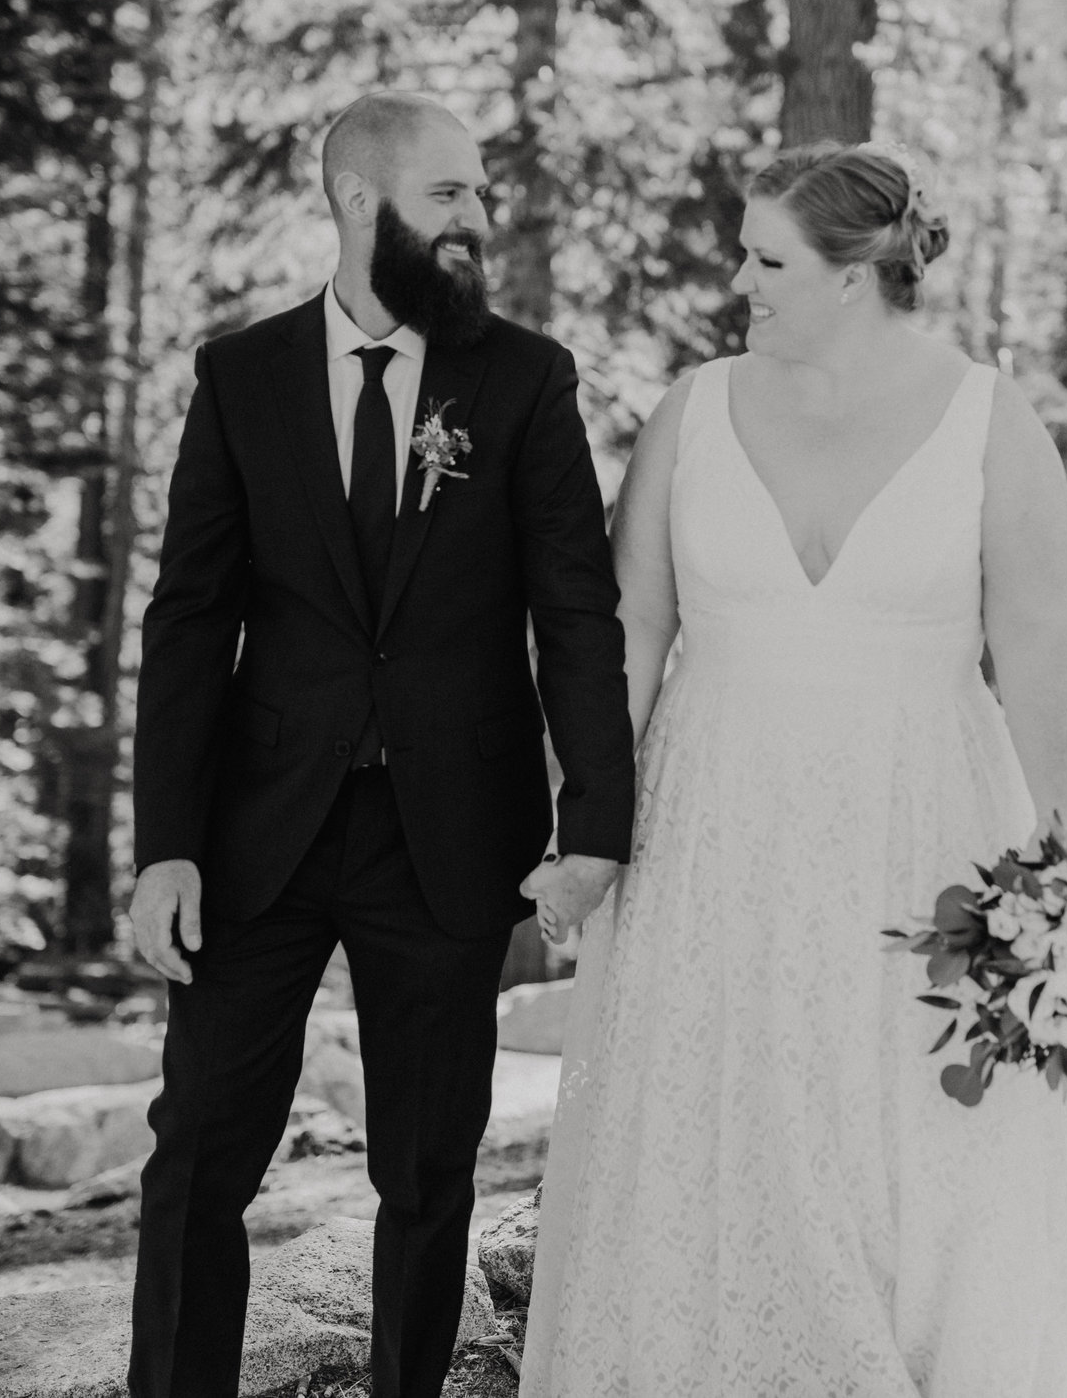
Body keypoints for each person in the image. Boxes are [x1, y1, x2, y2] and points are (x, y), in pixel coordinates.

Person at [520, 142, 1067, 1396]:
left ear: (853, 275)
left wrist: (1059, 871)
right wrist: (588, 828)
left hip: (922, 815)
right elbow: (628, 634)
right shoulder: (692, 410)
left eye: (767, 258)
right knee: (720, 1108)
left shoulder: (991, 419)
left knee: (901, 1113)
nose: (741, 281)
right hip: (713, 821)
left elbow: (1042, 655)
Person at [125, 92, 635, 1398]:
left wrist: (595, 830)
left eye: (482, 195)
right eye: (452, 194)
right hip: (258, 836)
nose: (480, 218)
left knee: (428, 1171)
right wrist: (166, 849)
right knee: (197, 1159)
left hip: (449, 836)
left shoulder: (523, 379)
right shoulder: (241, 377)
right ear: (362, 202)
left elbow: (574, 610)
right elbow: (190, 620)